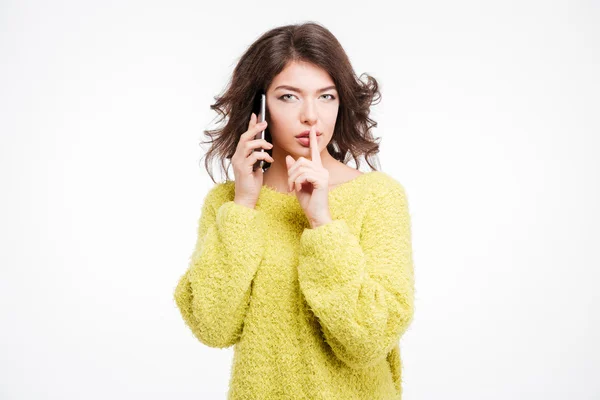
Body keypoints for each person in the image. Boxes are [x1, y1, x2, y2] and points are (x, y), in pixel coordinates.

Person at [173, 21, 415, 400]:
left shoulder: (378, 196)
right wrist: (243, 204)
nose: (311, 116)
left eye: (326, 96)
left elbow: (370, 338)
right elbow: (211, 325)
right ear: (259, 105)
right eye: (289, 96)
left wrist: (322, 222)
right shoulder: (228, 204)